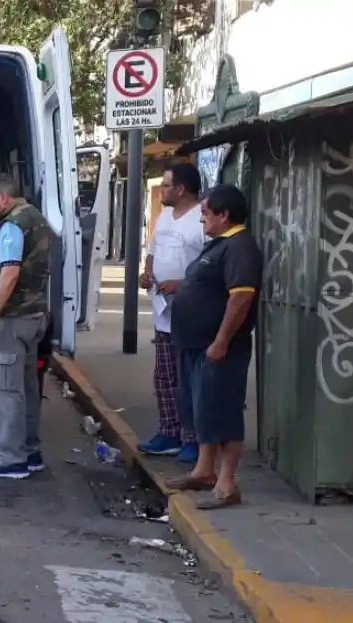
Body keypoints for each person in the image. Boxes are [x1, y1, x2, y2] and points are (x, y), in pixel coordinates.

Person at [165, 184, 262, 510]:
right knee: (201, 409)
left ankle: (226, 484)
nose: (201, 219)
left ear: (224, 215)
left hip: (218, 347)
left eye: (206, 213)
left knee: (222, 411)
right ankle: (204, 471)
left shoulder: (240, 247)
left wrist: (221, 341)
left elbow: (241, 297)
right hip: (195, 345)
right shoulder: (219, 245)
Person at [0, 176, 52, 479]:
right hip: (34, 316)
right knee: (27, 388)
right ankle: (30, 452)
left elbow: (9, 273)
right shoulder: (36, 218)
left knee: (4, 390)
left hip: (12, 319)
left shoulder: (12, 226)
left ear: (3, 198)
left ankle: (10, 459)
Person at [137, 163, 206, 464]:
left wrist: (181, 283)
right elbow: (153, 251)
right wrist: (147, 272)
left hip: (191, 313)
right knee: (164, 376)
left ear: (181, 189)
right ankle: (169, 432)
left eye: (166, 185)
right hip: (163, 311)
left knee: (187, 379)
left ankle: (193, 439)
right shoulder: (165, 215)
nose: (161, 190)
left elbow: (210, 265)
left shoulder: (202, 218)